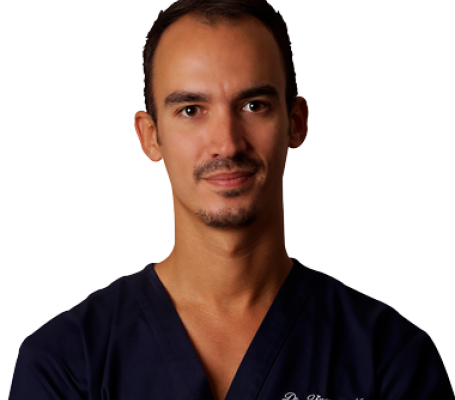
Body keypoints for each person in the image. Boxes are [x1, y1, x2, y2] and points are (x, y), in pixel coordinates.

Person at [8, 0, 453, 399]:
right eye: (191, 110)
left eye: (254, 105)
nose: (226, 143)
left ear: (296, 122)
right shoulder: (66, 363)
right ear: (150, 136)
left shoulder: (390, 360)